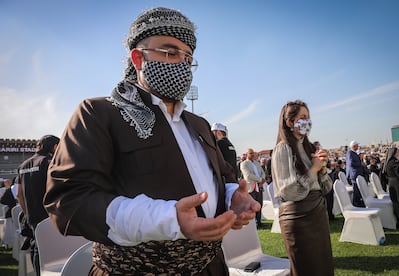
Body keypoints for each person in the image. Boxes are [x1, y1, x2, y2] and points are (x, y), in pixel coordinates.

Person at [44, 7, 260, 275]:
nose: (181, 62)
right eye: (170, 52)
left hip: (210, 267)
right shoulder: (99, 114)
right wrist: (167, 219)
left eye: (188, 56)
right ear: (138, 58)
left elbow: (223, 176)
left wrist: (231, 197)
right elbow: (70, 201)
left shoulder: (198, 124)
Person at [271, 100, 334, 276]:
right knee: (306, 269)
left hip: (317, 214)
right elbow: (290, 191)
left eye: (309, 117)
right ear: (290, 122)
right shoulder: (282, 149)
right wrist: (313, 168)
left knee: (323, 267)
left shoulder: (310, 147)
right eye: (303, 117)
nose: (308, 121)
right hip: (298, 218)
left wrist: (322, 169)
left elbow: (326, 187)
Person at [16, 134, 60, 276]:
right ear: (55, 147)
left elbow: (19, 194)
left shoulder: (22, 166)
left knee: (37, 249)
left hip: (33, 216)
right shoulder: (50, 162)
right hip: (50, 216)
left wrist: (27, 214)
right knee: (54, 251)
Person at [240, 149, 266, 228]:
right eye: (250, 153)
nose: (252, 155)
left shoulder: (257, 163)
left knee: (259, 204)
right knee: (251, 206)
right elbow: (248, 175)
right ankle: (252, 224)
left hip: (259, 187)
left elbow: (262, 172)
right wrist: (260, 180)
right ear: (247, 154)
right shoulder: (244, 164)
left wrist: (263, 179)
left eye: (253, 153)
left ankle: (259, 222)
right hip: (250, 187)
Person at [346, 140, 365, 207]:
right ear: (354, 146)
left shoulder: (353, 153)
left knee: (358, 189)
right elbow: (351, 163)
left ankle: (358, 202)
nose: (358, 146)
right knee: (356, 190)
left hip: (357, 174)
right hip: (354, 174)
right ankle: (356, 203)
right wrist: (360, 163)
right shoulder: (350, 153)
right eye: (357, 145)